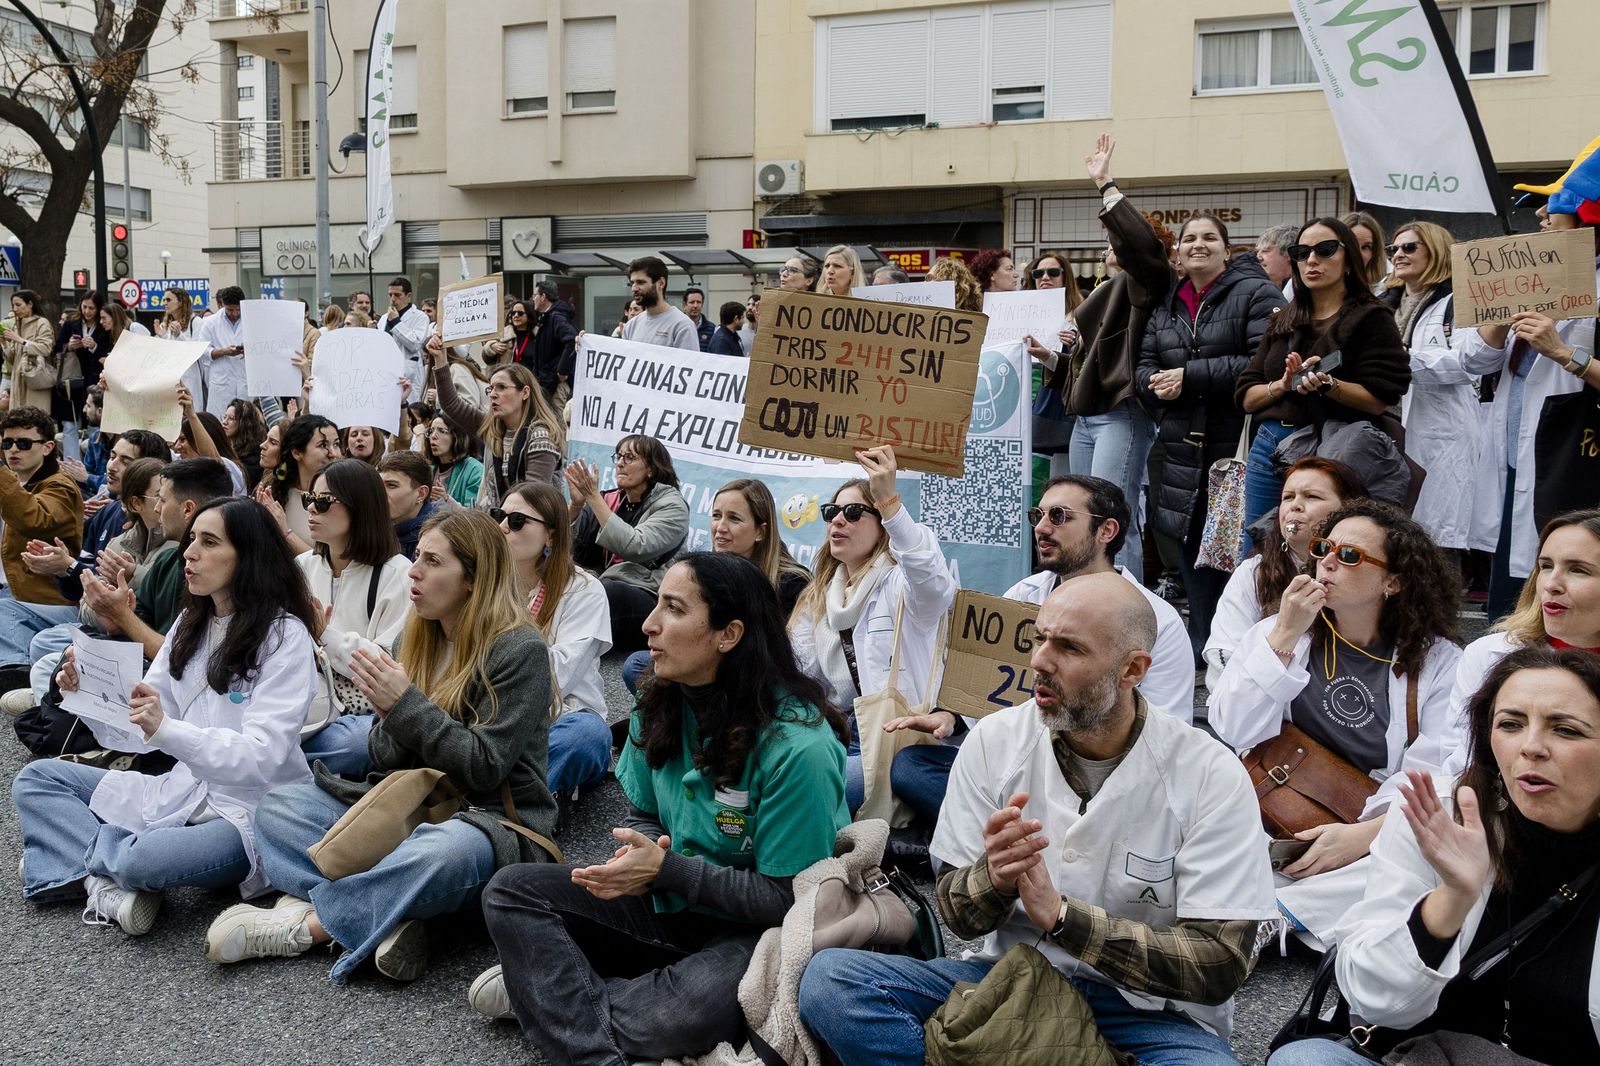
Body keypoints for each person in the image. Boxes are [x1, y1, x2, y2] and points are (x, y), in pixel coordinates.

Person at [799, 572, 1277, 1066]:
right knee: (832, 983)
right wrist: (994, 879)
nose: (1040, 662)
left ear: (1132, 670)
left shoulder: (1210, 773)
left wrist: (1066, 919)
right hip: (1009, 982)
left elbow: (1218, 963)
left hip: (1147, 1012)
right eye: (1040, 639)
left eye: (1069, 648)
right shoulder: (995, 740)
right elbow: (958, 914)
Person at [475, 552, 850, 1062]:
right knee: (510, 892)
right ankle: (571, 1000)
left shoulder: (799, 746)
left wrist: (668, 869)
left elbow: (788, 899)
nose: (649, 624)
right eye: (656, 604)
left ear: (728, 634)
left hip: (756, 931)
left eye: (673, 609)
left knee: (675, 1015)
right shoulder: (659, 699)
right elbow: (645, 813)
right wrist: (642, 855)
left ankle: (546, 995)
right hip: (668, 903)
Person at [207, 509, 556, 983]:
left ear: (473, 579)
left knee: (444, 853)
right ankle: (400, 911)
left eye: (433, 561)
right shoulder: (415, 634)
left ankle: (311, 926)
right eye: (418, 556)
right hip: (404, 808)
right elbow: (383, 758)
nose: (414, 571)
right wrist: (391, 716)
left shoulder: (520, 649)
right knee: (277, 809)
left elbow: (485, 768)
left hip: (487, 819)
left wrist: (405, 706)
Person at [1271, 647, 1600, 1066]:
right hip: (1419, 1056)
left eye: (1566, 730)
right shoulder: (1440, 812)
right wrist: (1450, 900)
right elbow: (1373, 1000)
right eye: (1510, 724)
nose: (1531, 747)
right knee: (1306, 1060)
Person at [13, 497, 318, 934]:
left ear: (249, 555)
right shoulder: (190, 622)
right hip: (181, 791)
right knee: (37, 779)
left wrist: (167, 729)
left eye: (209, 542)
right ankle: (97, 879)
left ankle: (64, 854)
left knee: (142, 859)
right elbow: (140, 728)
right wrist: (85, 695)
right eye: (192, 539)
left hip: (249, 812)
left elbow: (262, 757)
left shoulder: (285, 635)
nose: (189, 553)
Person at [1210, 499, 1464, 947]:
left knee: (1430, 858)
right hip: (1271, 803)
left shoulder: (1441, 662)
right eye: (1323, 548)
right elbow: (1232, 727)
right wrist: (1284, 635)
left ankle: (1274, 916)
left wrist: (1362, 837)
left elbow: (1439, 775)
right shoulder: (1282, 631)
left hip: (1372, 824)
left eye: (1349, 555)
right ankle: (1270, 900)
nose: (1326, 561)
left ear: (1392, 582)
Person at [1137, 213, 1283, 653]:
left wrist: (1190, 376)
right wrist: (1154, 383)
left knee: (1239, 546)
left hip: (1236, 439)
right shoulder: (1167, 302)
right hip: (1181, 441)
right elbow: (1144, 363)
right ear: (1178, 251)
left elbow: (1265, 361)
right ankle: (1203, 642)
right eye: (1189, 239)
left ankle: (1242, 645)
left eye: (1209, 238)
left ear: (1226, 249)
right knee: (1191, 541)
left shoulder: (1256, 292)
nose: (1198, 245)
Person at [790, 445, 957, 814]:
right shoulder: (820, 595)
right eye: (832, 512)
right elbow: (797, 672)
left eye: (853, 513)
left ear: (882, 525)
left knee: (808, 790)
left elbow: (932, 583)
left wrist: (890, 503)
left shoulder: (901, 584)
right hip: (837, 731)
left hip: (893, 739)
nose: (838, 521)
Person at [1457, 224, 1598, 618]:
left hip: (1571, 465)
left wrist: (1562, 351)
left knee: (1563, 584)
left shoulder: (1589, 287)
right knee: (1511, 599)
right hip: (1515, 465)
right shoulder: (1531, 278)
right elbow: (1473, 360)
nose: (1541, 217)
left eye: (1553, 208)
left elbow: (1573, 361)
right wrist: (1502, 307)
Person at [1237, 217, 1411, 534]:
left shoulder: (1372, 317)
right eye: (1301, 253)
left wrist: (1329, 384)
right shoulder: (1284, 317)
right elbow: (1247, 396)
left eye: (1325, 249)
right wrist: (1282, 385)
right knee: (1260, 545)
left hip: (1334, 449)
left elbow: (1380, 398)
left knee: (1322, 542)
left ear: (1349, 259)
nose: (1312, 260)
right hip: (1270, 444)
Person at [1062, 136, 1166, 581]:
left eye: (1116, 238)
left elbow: (1139, 245)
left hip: (1121, 414)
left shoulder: (1145, 283)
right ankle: (1087, 596)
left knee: (1112, 519)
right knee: (1084, 517)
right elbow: (1090, 365)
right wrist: (1053, 356)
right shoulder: (1107, 291)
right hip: (1087, 418)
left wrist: (1106, 184)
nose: (1110, 245)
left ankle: (1126, 608)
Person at [1441, 509, 1600, 776]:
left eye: (1578, 570)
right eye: (1546, 566)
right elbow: (1459, 763)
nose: (1551, 584)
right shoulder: (1487, 655)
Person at [621, 477, 814, 692]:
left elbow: (786, 659)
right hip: (707, 660)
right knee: (637, 665)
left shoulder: (791, 583)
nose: (720, 527)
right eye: (716, 516)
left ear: (760, 531)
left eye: (734, 518)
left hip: (755, 679)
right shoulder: (705, 573)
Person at [294, 459, 415, 776]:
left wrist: (325, 635)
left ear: (360, 506)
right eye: (309, 499)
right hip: (304, 699)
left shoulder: (397, 573)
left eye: (323, 502)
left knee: (358, 744)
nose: (312, 509)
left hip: (358, 712)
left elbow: (387, 666)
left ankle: (277, 759)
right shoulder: (302, 566)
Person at [1203, 457, 1366, 690]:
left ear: (1347, 508)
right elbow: (1223, 664)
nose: (1295, 506)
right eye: (1288, 497)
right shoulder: (1254, 572)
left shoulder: (1367, 570)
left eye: (1312, 496)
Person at [495, 480, 613, 794]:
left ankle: (505, 802)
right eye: (498, 515)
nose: (503, 527)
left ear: (551, 535)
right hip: (495, 714)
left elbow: (558, 677)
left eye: (517, 520)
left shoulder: (584, 590)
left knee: (586, 735)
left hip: (560, 717)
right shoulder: (485, 584)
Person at [1383, 220, 1479, 553]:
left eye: (1409, 247)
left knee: (1435, 542)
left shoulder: (1458, 301)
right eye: (1393, 248)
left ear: (1436, 251)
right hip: (1387, 428)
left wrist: (1403, 359)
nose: (1398, 254)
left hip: (1439, 434)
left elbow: (1468, 362)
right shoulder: (1382, 305)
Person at [568, 434, 690, 655]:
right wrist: (576, 506)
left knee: (606, 592)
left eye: (630, 457)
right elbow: (570, 550)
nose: (620, 463)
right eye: (619, 456)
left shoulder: (673, 506)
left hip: (649, 594)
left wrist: (593, 497)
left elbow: (635, 546)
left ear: (651, 468)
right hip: (604, 584)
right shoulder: (610, 499)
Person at [0, 406, 83, 682]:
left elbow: (34, 518)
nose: (13, 450)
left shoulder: (61, 486)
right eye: (7, 443)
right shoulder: (13, 484)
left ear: (47, 447)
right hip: (14, 595)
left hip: (45, 600)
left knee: (3, 608)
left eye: (24, 443)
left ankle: (16, 676)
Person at [428, 344, 562, 506]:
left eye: (501, 387)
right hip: (503, 518)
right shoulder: (493, 429)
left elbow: (534, 501)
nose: (492, 394)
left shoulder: (540, 437)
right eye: (490, 388)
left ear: (525, 392)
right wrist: (440, 358)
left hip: (529, 518)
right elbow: (451, 404)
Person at [1024, 248, 1087, 475]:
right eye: (1038, 274)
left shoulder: (1082, 314)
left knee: (1062, 476)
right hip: (1025, 401)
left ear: (1065, 276)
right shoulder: (1019, 312)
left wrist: (1077, 343)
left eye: (1052, 272)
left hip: (1061, 408)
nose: (1045, 278)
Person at [256, 414, 342, 554]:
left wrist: (285, 533)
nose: (333, 453)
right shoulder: (276, 495)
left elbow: (327, 562)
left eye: (336, 444)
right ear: (297, 453)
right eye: (323, 445)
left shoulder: (343, 498)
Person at [50, 292, 106, 463]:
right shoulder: (71, 323)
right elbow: (57, 346)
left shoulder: (103, 324)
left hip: (94, 379)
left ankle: (93, 462)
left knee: (94, 422)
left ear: (98, 308)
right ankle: (71, 464)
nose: (87, 311)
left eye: (92, 308)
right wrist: (69, 346)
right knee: (69, 424)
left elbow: (107, 350)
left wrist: (94, 347)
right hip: (72, 379)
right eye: (84, 307)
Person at [175, 386, 248, 495]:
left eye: (183, 439)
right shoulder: (183, 466)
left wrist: (192, 415)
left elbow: (213, 462)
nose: (177, 447)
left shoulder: (229, 468)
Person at [622, 256, 699, 351]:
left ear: (661, 283)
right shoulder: (631, 325)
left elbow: (688, 360)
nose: (634, 288)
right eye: (632, 283)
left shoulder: (682, 325)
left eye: (640, 282)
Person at [378, 450, 441, 560]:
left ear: (421, 494)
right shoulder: (374, 529)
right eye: (378, 485)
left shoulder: (439, 539)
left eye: (391, 485)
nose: (380, 493)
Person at [1, 290, 58, 413]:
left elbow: (45, 348)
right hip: (17, 382)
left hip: (36, 379)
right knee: (18, 418)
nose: (15, 309)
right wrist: (4, 344)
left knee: (35, 418)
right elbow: (13, 359)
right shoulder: (16, 324)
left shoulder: (42, 323)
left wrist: (20, 340)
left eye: (18, 305)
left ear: (30, 304)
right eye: (13, 305)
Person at [199, 287, 248, 418]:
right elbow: (202, 350)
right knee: (220, 421)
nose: (235, 313)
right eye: (230, 310)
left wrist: (249, 350)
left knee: (245, 421)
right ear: (222, 304)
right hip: (221, 384)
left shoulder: (251, 320)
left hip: (244, 380)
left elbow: (261, 345)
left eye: (238, 309)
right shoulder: (210, 322)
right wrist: (223, 351)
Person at [381, 276, 432, 396]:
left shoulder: (420, 317)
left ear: (408, 296)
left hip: (409, 374)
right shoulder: (383, 319)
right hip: (386, 372)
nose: (393, 299)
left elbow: (415, 344)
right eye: (390, 295)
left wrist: (395, 323)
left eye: (397, 295)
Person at [528, 282, 577, 404]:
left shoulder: (556, 317)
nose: (533, 299)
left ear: (543, 297)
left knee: (556, 415)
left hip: (556, 386)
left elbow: (572, 339)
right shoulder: (547, 317)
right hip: (548, 384)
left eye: (535, 295)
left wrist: (562, 371)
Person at [423, 415, 483, 508]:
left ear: (457, 436)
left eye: (442, 431)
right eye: (431, 431)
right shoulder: (429, 470)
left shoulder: (475, 470)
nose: (433, 436)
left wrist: (446, 500)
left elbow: (474, 514)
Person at [221, 399, 267, 491]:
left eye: (231, 418)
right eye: (224, 417)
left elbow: (242, 481)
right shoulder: (227, 445)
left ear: (243, 422)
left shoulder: (255, 452)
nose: (224, 422)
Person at [1340, 209, 1389, 293]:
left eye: (1366, 247)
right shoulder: (1318, 287)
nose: (1358, 254)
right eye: (1351, 245)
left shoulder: (1384, 292)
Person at [484, 297, 536, 369]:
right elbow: (487, 360)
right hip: (506, 375)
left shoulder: (537, 336)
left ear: (529, 316)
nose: (516, 316)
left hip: (530, 375)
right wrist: (490, 347)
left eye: (520, 313)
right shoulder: (503, 335)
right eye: (513, 313)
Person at [1256, 222, 1299, 294]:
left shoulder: (1308, 290)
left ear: (1289, 254)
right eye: (1257, 251)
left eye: (1265, 251)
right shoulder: (1255, 289)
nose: (1258, 257)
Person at [682, 285, 715, 351]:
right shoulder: (677, 326)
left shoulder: (711, 328)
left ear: (702, 304)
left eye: (699, 302)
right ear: (684, 305)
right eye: (692, 302)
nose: (695, 306)